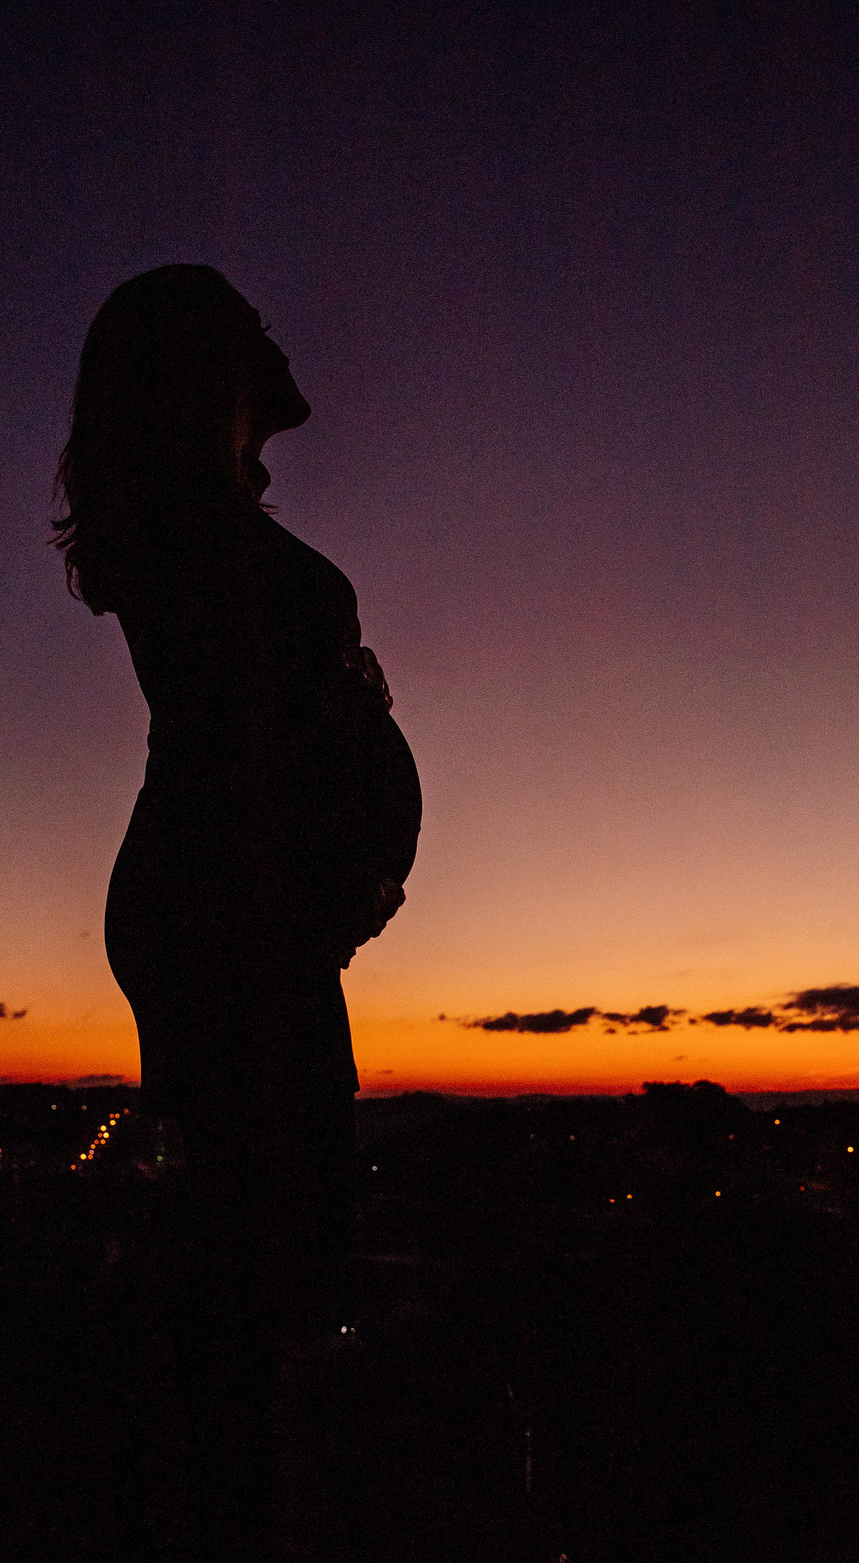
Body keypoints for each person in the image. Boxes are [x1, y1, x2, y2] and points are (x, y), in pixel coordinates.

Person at [53, 263, 422, 1553]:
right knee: (256, 1254)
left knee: (267, 1238)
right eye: (248, 330)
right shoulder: (184, 523)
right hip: (222, 911)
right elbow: (252, 735)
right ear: (200, 367)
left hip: (229, 909)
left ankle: (233, 1489)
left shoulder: (199, 514)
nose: (277, 337)